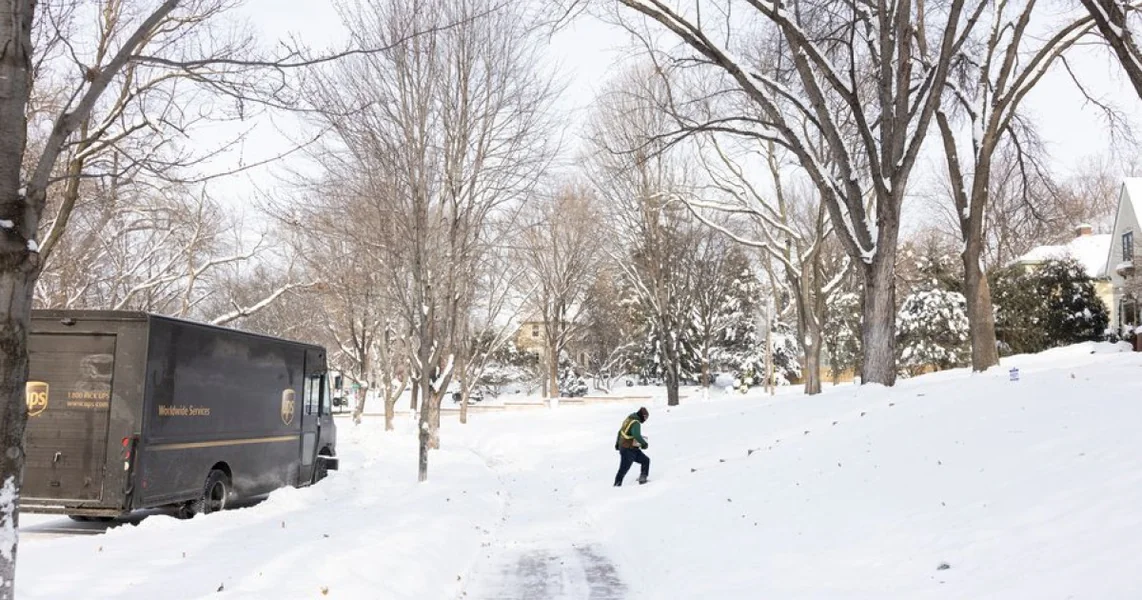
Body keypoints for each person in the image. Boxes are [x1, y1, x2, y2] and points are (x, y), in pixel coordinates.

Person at [614, 407, 650, 486]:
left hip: (628, 447)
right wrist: (644, 444)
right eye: (645, 417)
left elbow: (620, 432)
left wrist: (617, 444)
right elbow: (636, 435)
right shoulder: (636, 423)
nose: (645, 420)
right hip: (628, 450)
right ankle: (616, 486)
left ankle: (643, 478)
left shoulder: (629, 419)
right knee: (623, 469)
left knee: (645, 460)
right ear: (642, 415)